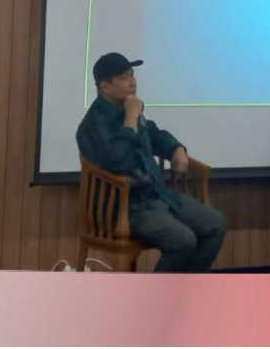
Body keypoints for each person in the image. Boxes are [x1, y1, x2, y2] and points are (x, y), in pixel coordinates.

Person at [75, 52, 226, 272]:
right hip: (123, 207)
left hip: (156, 196)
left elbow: (154, 134)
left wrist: (176, 149)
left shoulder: (128, 109)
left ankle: (187, 286)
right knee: (183, 241)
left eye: (132, 75)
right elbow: (119, 162)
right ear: (105, 87)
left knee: (215, 224)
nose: (132, 82)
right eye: (124, 77)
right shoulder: (94, 124)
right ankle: (157, 291)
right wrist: (130, 118)